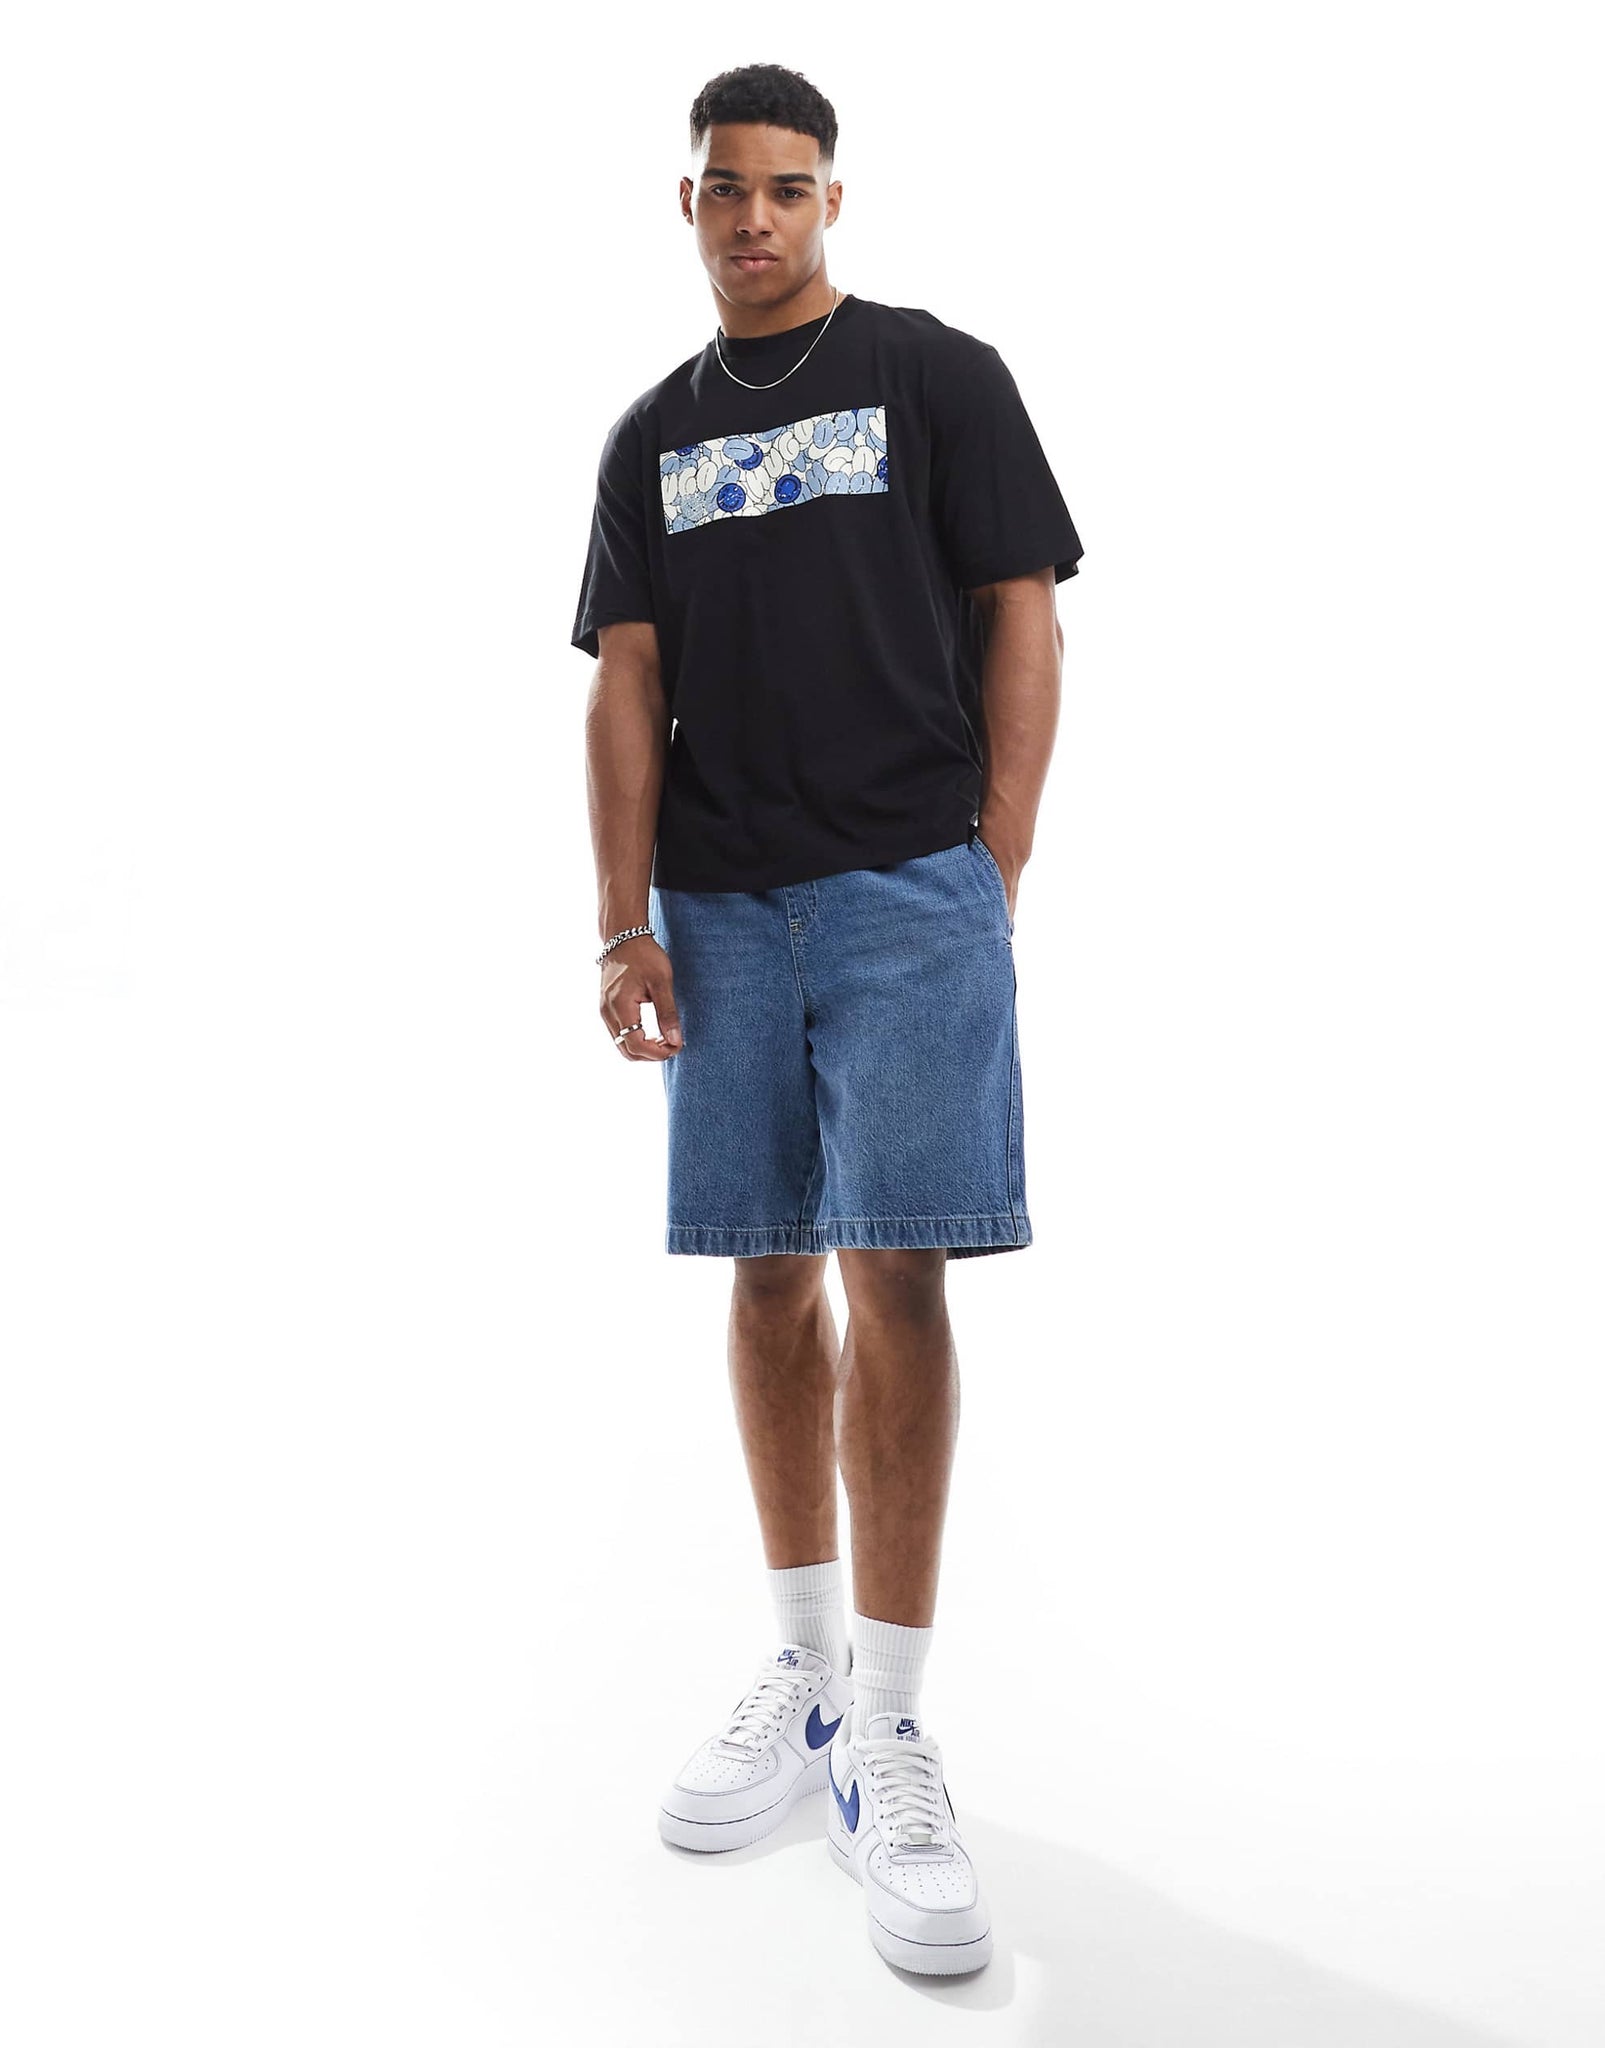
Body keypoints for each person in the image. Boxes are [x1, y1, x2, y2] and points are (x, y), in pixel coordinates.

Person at [570, 62, 1083, 1978]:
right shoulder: (651, 437)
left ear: (831, 202)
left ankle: (890, 1718)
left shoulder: (934, 375)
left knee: (899, 1268)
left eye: (786, 188)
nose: (754, 218)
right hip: (717, 911)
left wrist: (991, 859)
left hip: (904, 896)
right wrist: (619, 924)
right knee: (766, 1271)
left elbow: (1022, 610)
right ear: (686, 203)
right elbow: (622, 686)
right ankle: (798, 1678)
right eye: (725, 188)